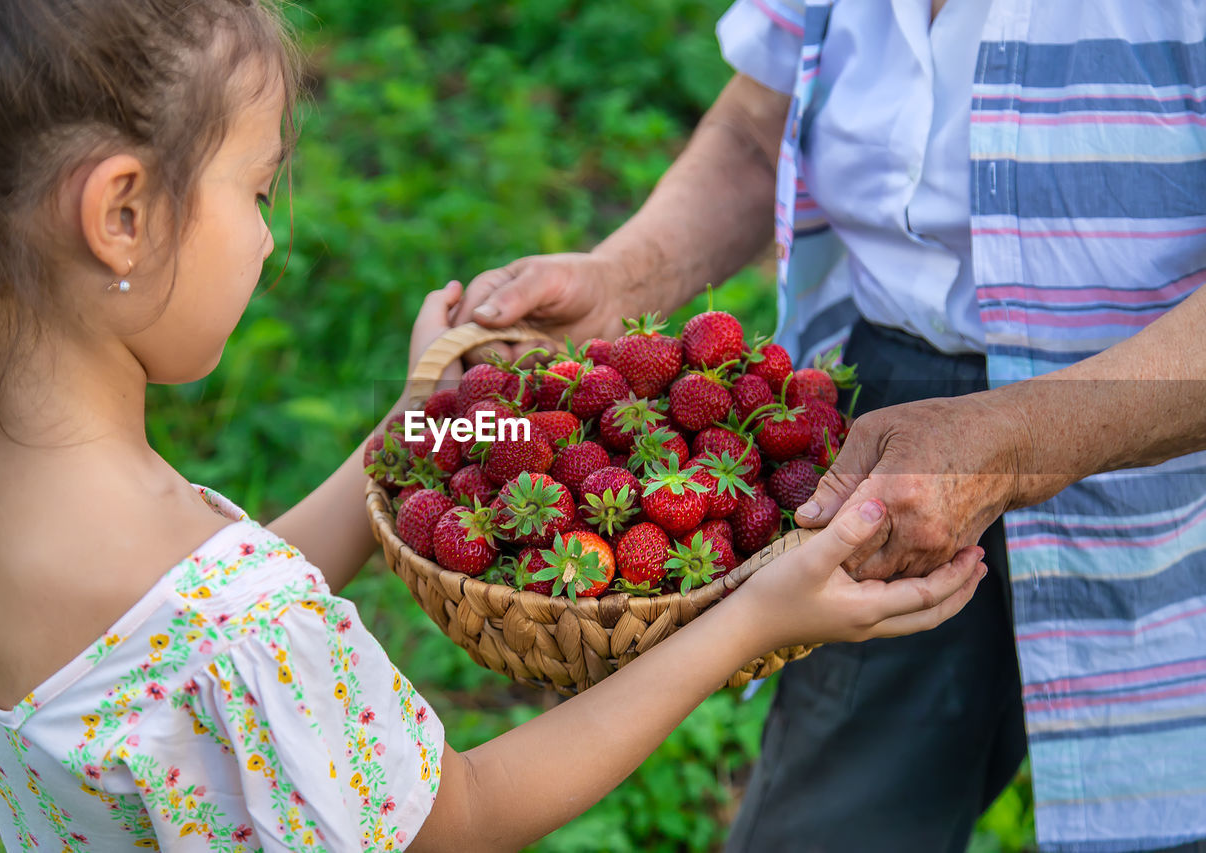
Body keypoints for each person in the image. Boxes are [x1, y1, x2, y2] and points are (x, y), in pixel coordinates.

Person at [0, 1, 989, 851]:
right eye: (255, 189)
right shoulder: (236, 620)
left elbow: (170, 636)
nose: (263, 239)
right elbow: (460, 814)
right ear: (121, 213)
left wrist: (411, 427)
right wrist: (748, 621)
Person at [454, 1, 1206, 851]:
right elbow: (751, 130)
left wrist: (1024, 439)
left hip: (1167, 432)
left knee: (1170, 804)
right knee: (825, 824)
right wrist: (622, 276)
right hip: (886, 422)